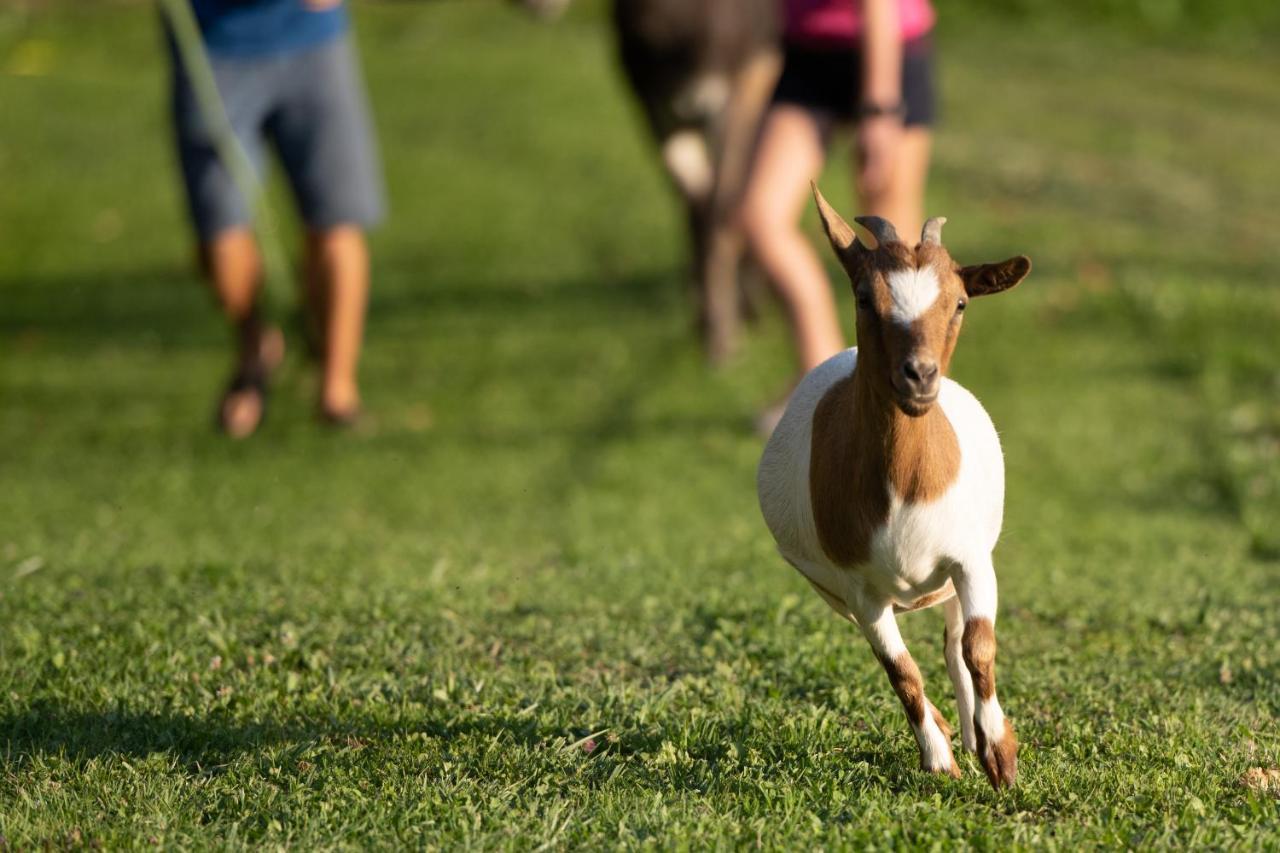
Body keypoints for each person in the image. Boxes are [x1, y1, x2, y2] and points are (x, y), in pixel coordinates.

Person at [168, 0, 385, 437]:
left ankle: (337, 392)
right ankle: (256, 351)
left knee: (337, 221)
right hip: (215, 50)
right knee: (220, 239)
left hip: (315, 44)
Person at [739, 0, 936, 420]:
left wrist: (880, 109)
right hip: (808, 55)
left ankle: (904, 396)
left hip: (889, 51)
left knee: (894, 250)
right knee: (761, 217)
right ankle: (826, 378)